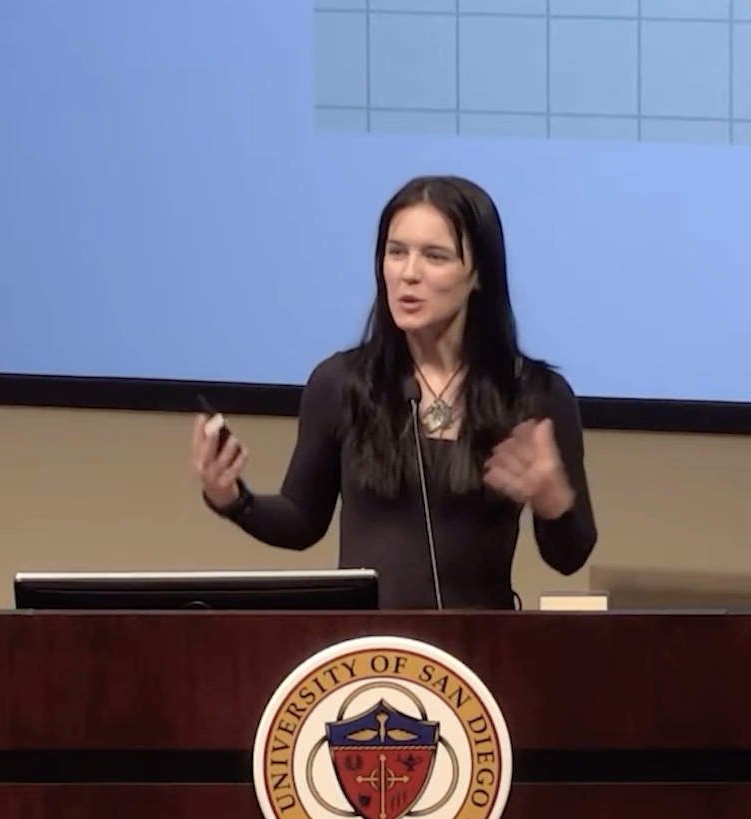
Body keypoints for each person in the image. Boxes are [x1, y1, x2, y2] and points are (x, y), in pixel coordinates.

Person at [188, 175, 597, 610]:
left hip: (478, 642)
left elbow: (569, 557)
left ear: (478, 273)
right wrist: (233, 499)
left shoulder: (534, 394)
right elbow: (302, 520)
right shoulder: (341, 382)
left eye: (434, 256)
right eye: (396, 252)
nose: (408, 274)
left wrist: (552, 499)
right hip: (368, 642)